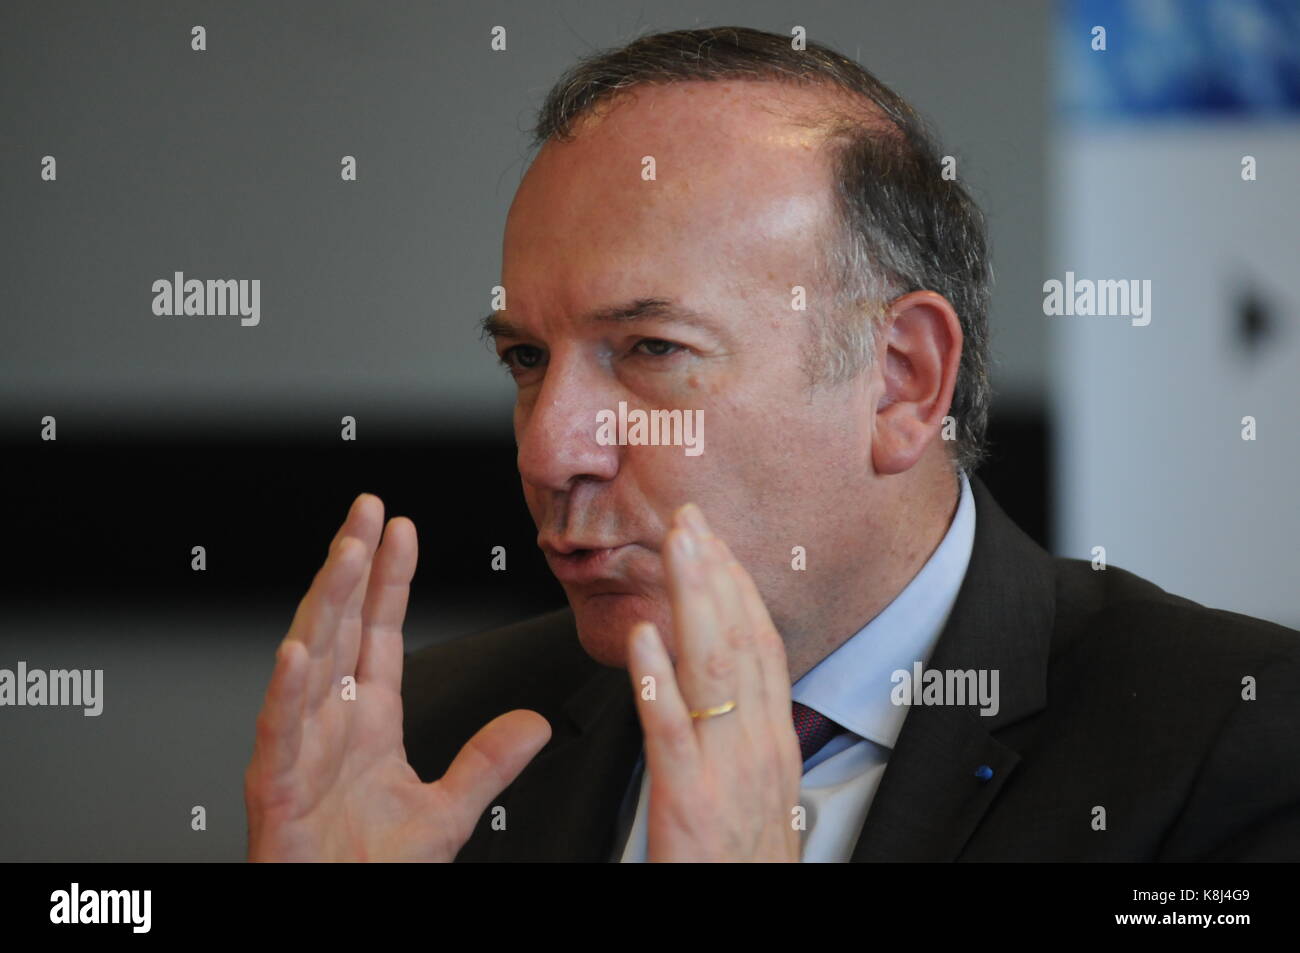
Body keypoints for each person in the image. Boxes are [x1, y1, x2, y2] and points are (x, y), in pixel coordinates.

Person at [243, 26, 1300, 862]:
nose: (551, 449)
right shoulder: (435, 743)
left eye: (650, 348)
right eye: (525, 359)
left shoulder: (1234, 744)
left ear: (901, 381)